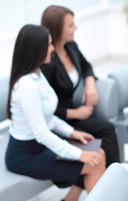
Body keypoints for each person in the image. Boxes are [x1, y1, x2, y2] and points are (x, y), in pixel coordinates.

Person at [5, 24, 106, 201]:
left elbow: (48, 117)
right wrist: (79, 154)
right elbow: (42, 133)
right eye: (49, 45)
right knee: (93, 162)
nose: (52, 49)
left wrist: (73, 132)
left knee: (99, 154)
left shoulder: (38, 75)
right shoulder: (27, 88)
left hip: (39, 146)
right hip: (24, 155)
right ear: (37, 50)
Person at [40, 5, 119, 166]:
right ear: (56, 29)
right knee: (99, 137)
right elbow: (44, 107)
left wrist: (90, 84)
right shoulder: (47, 62)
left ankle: (114, 176)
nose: (75, 28)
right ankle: (104, 183)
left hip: (74, 115)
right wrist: (75, 113)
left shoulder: (71, 47)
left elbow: (86, 66)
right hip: (59, 119)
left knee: (107, 129)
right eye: (70, 25)